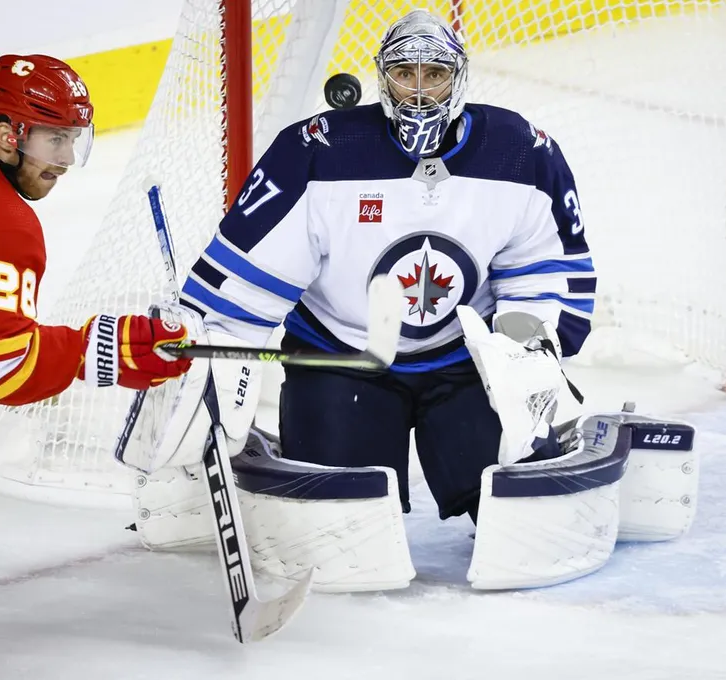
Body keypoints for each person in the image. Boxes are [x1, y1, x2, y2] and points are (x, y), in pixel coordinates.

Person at [153, 10, 597, 522]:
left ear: (459, 77)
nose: (418, 91)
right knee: (341, 515)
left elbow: (544, 267)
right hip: (341, 356)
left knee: (513, 509)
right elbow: (249, 275)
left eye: (435, 74)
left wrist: (526, 355)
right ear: (381, 77)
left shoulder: (519, 152)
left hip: (464, 363)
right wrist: (216, 356)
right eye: (403, 74)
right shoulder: (319, 151)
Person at [0, 55, 192, 517]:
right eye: (55, 139)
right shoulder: (0, 227)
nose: (65, 160)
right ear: (7, 136)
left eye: (73, 140)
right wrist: (93, 350)